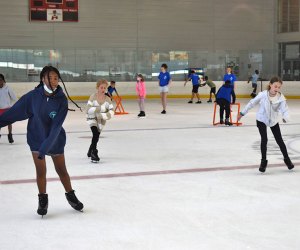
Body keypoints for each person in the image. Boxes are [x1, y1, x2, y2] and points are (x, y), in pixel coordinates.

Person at [0, 66, 84, 217]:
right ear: (42, 79)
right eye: (49, 78)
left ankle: (71, 195)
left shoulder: (61, 100)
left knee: (62, 170)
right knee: (41, 171)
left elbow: (56, 125)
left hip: (55, 140)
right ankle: (42, 200)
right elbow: (14, 112)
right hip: (36, 139)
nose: (53, 81)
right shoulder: (32, 97)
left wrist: (45, 148)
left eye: (56, 78)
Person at [237, 76, 294, 173]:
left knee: (279, 140)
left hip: (273, 120)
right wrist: (242, 113)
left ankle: (287, 160)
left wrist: (285, 118)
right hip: (261, 119)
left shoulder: (281, 98)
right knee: (264, 139)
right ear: (270, 85)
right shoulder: (263, 95)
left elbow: (285, 110)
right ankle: (263, 162)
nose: (277, 89)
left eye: (279, 87)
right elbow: (252, 103)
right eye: (275, 86)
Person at [86, 79, 114, 162]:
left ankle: (90, 149)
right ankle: (94, 153)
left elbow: (112, 112)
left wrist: (102, 115)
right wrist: (101, 108)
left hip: (102, 120)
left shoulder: (108, 99)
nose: (103, 89)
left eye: (104, 88)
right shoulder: (93, 96)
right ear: (97, 88)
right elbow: (88, 109)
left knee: (96, 136)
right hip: (92, 117)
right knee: (95, 133)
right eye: (101, 88)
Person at [0, 74, 17, 143]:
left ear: (3, 80)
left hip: (7, 108)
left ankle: (10, 135)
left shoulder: (8, 88)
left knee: (9, 123)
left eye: (0, 80)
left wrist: (16, 106)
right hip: (0, 109)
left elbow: (14, 98)